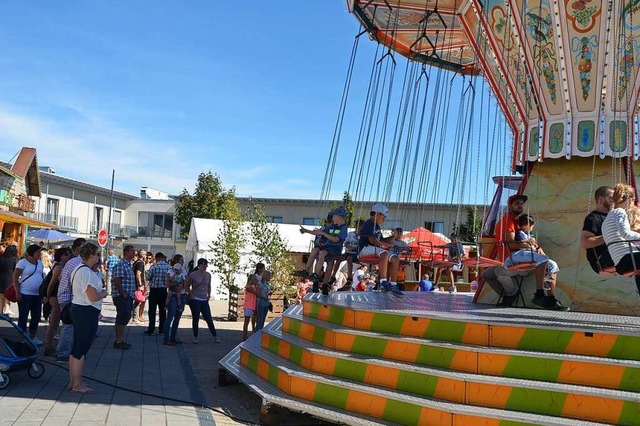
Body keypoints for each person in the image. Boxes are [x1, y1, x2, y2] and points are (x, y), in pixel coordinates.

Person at [482, 194, 568, 310]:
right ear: (510, 205)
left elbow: (526, 239)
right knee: (490, 273)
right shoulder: (508, 221)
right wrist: (530, 244)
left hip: (522, 258)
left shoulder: (519, 222)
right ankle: (523, 294)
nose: (520, 205)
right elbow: (511, 243)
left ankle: (550, 299)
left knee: (552, 265)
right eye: (517, 203)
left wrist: (537, 247)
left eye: (522, 203)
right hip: (513, 259)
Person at [68, 242, 108, 394]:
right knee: (81, 348)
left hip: (79, 308)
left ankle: (73, 381)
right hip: (85, 311)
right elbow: (92, 297)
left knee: (76, 348)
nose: (99, 256)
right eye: (97, 254)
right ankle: (77, 384)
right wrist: (104, 293)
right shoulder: (86, 272)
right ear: (91, 255)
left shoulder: (78, 269)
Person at [297, 207, 348, 295]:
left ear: (339, 217)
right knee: (315, 250)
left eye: (334, 216)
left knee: (323, 255)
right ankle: (306, 270)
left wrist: (324, 234)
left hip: (335, 249)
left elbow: (336, 240)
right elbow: (319, 232)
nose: (332, 218)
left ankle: (318, 277)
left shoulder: (343, 228)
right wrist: (306, 231)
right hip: (327, 247)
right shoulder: (332, 226)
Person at [358, 203, 402, 296]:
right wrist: (388, 244)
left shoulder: (377, 226)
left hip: (375, 249)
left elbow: (381, 240)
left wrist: (393, 237)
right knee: (385, 253)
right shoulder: (369, 224)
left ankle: (393, 284)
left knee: (395, 258)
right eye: (383, 217)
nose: (384, 219)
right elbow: (372, 240)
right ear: (377, 214)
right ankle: (383, 282)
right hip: (365, 248)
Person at [602, 183, 640, 286]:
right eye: (633, 200)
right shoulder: (620, 212)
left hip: (620, 264)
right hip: (630, 259)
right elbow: (626, 234)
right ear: (629, 199)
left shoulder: (606, 219)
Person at [56, 238, 86, 363]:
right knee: (69, 327)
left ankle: (67, 353)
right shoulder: (78, 262)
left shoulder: (73, 261)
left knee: (70, 327)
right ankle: (63, 354)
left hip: (66, 296)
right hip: (69, 298)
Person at [508, 214, 560, 287]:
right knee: (544, 260)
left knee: (550, 263)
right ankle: (544, 279)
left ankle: (546, 276)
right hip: (525, 254)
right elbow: (521, 243)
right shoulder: (520, 233)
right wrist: (530, 243)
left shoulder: (527, 234)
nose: (532, 229)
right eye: (532, 227)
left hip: (530, 253)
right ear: (528, 225)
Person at [12, 244, 44, 343]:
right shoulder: (23, 262)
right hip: (24, 293)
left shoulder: (40, 263)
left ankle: (32, 336)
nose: (39, 254)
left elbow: (41, 276)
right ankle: (22, 337)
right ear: (32, 252)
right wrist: (17, 292)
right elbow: (15, 277)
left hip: (37, 294)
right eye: (37, 252)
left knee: (36, 316)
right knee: (23, 316)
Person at [581, 186, 616, 274]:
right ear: (601, 199)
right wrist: (609, 235)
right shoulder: (593, 218)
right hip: (601, 261)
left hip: (614, 255)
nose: (614, 201)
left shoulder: (615, 216)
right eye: (612, 198)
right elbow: (585, 242)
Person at [44, 247, 71, 357]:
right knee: (54, 323)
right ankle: (48, 346)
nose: (68, 256)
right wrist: (48, 296)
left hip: (56, 297)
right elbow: (51, 284)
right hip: (55, 297)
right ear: (61, 256)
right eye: (66, 254)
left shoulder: (60, 266)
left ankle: (50, 345)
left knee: (55, 323)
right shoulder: (58, 268)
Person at [187, 258, 220, 343]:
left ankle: (215, 336)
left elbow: (209, 285)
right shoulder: (193, 274)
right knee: (196, 318)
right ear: (199, 265)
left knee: (208, 318)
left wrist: (209, 294)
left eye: (206, 265)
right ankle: (195, 337)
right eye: (203, 264)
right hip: (196, 299)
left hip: (204, 299)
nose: (205, 266)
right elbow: (187, 286)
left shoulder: (208, 275)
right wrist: (191, 294)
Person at [111, 245, 136, 350]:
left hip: (127, 295)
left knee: (124, 317)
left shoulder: (128, 264)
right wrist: (123, 293)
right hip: (122, 296)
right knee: (122, 317)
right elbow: (117, 280)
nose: (134, 253)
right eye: (132, 251)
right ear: (126, 252)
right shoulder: (121, 264)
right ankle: (118, 341)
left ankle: (120, 340)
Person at [163, 254, 187, 346]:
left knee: (177, 318)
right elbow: (168, 284)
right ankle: (166, 338)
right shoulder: (170, 271)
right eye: (181, 260)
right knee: (170, 317)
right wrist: (176, 285)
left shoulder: (184, 271)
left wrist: (182, 285)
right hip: (173, 295)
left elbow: (185, 282)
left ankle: (173, 337)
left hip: (182, 294)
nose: (183, 262)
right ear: (177, 261)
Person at [144, 252, 170, 336]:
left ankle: (151, 329)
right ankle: (161, 329)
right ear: (163, 258)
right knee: (162, 311)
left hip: (154, 291)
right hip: (163, 291)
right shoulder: (168, 267)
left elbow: (148, 277)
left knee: (152, 310)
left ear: (156, 258)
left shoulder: (153, 267)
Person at [243, 263, 264, 341]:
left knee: (254, 320)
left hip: (255, 303)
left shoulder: (259, 281)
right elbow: (254, 291)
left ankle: (253, 335)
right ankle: (245, 337)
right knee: (247, 321)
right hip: (249, 304)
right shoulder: (249, 287)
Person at [0, 244, 18, 316]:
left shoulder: (1, 258)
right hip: (10, 278)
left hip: (1, 278)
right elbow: (15, 270)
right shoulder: (14, 259)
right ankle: (7, 310)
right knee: (8, 295)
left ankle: (1, 311)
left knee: (1, 296)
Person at [131, 249, 147, 324]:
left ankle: (133, 317)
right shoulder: (140, 263)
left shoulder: (136, 262)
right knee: (138, 301)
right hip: (138, 285)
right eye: (145, 254)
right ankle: (135, 318)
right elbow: (138, 274)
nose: (146, 256)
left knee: (136, 301)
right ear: (142, 255)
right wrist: (140, 285)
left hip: (135, 284)